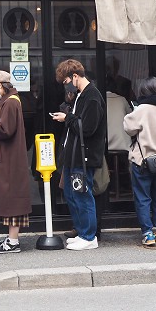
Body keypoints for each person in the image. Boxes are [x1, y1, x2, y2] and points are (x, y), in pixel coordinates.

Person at [52, 59, 106, 251]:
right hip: (75, 155)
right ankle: (83, 232)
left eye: (66, 81)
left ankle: (89, 236)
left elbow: (88, 128)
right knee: (72, 193)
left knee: (82, 195)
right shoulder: (82, 95)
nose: (65, 85)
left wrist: (67, 118)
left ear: (75, 76)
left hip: (84, 156)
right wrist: (68, 117)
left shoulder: (92, 96)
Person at [0, 70, 32, 254]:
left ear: (0, 86)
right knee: (12, 198)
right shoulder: (11, 101)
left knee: (13, 199)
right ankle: (11, 239)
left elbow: (5, 130)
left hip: (10, 159)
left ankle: (13, 241)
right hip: (10, 158)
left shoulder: (10, 103)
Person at [123, 77, 156, 248]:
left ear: (143, 91)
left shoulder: (142, 109)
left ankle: (148, 234)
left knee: (143, 198)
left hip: (143, 161)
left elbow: (128, 126)